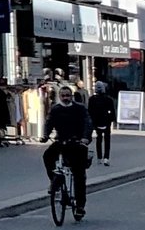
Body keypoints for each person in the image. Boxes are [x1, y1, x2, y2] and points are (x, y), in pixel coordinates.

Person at [41, 83, 93, 220]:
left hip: (77, 142)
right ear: (59, 96)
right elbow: (49, 122)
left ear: (72, 96)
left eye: (67, 95)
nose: (65, 98)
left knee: (79, 174)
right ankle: (55, 180)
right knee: (47, 156)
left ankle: (80, 206)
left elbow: (87, 123)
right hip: (61, 141)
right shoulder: (56, 109)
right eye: (63, 96)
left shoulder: (79, 108)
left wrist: (85, 138)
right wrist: (45, 135)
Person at [87, 80, 116, 165]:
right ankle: (106, 158)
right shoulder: (108, 99)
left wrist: (91, 122)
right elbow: (112, 111)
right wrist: (112, 120)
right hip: (106, 122)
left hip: (96, 122)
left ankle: (99, 158)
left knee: (99, 140)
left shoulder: (92, 99)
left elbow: (90, 112)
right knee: (107, 140)